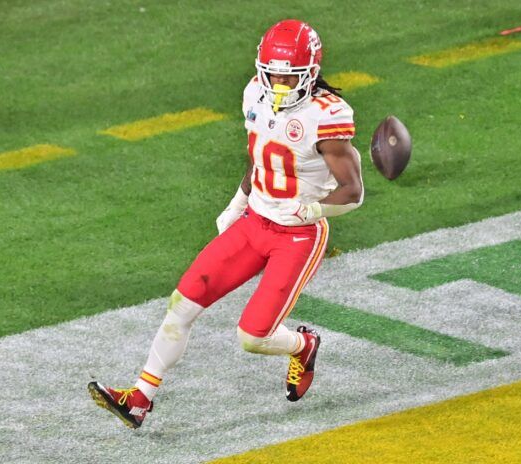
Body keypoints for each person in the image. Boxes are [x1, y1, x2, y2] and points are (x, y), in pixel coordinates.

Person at [88, 19, 364, 429]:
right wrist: (237, 202)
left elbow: (353, 192)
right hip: (255, 221)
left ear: (310, 71)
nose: (279, 82)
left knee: (252, 337)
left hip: (298, 236)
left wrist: (311, 211)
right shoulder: (255, 93)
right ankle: (140, 398)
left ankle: (303, 345)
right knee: (181, 305)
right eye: (273, 72)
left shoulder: (326, 116)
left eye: (289, 74)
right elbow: (259, 160)